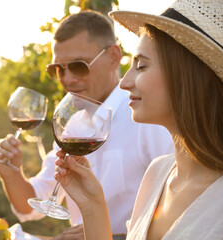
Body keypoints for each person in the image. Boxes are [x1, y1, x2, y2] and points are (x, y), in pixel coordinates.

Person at [0, 10, 174, 239]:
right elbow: (33, 205)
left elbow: (180, 213)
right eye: (57, 69)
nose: (67, 79)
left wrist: (107, 235)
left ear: (114, 57)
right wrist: (11, 174)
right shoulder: (73, 125)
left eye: (78, 66)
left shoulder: (149, 119)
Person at [54, 0, 223, 239]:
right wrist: (92, 206)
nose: (124, 82)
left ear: (191, 76)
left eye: (141, 66)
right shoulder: (158, 174)